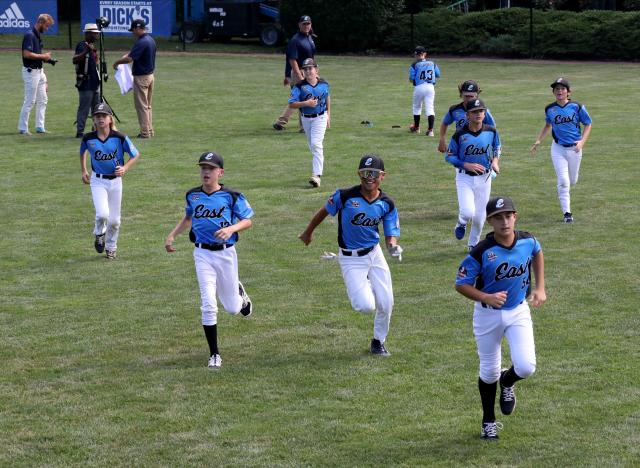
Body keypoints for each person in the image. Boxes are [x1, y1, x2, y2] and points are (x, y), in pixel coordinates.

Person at [455, 196, 546, 440]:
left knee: (526, 367)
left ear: (515, 217)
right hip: (487, 316)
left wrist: (540, 287)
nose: (504, 222)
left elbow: (538, 253)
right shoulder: (481, 251)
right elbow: (461, 284)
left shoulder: (528, 240)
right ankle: (488, 421)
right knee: (488, 372)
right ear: (490, 221)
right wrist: (485, 296)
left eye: (508, 216)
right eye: (498, 218)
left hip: (518, 311)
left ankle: (508, 381)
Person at [299, 155, 402, 356]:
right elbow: (324, 211)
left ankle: (378, 342)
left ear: (382, 176)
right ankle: (366, 284)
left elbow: (390, 234)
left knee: (386, 302)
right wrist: (308, 232)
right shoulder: (345, 196)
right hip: (350, 258)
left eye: (373, 173)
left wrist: (392, 246)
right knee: (365, 306)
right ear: (358, 174)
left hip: (374, 253)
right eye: (364, 173)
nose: (368, 177)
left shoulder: (387, 203)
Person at [165, 152, 254, 370]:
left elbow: (247, 220)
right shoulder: (192, 196)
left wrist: (231, 228)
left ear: (220, 172)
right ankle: (214, 354)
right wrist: (172, 235)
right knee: (208, 304)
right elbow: (188, 217)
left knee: (232, 308)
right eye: (203, 168)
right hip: (202, 254)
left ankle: (240, 295)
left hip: (226, 254)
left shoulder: (232, 195)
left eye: (211, 168)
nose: (206, 172)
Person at [80, 103, 140, 259]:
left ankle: (111, 247)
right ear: (94, 120)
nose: (100, 119)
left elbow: (135, 154)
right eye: (97, 116)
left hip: (115, 182)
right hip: (97, 181)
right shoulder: (89, 138)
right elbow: (82, 152)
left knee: (114, 220)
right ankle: (99, 234)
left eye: (103, 116)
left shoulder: (119, 137)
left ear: (109, 118)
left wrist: (125, 168)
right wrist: (84, 170)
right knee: (102, 214)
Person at [530, 77, 592, 223]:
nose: (559, 91)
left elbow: (588, 124)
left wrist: (582, 142)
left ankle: (568, 194)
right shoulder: (550, 109)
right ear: (553, 92)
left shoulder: (577, 107)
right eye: (556, 89)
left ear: (568, 92)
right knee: (563, 181)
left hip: (575, 150)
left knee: (572, 180)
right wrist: (538, 140)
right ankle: (567, 214)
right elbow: (547, 125)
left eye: (562, 88)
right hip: (557, 149)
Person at [445, 98, 501, 251]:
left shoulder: (491, 131)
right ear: (467, 115)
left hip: (485, 178)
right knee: (468, 211)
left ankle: (472, 245)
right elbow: (449, 156)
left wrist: (495, 161)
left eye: (481, 111)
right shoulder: (459, 135)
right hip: (464, 177)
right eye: (474, 112)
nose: (478, 114)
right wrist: (465, 164)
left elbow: (497, 147)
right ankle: (461, 222)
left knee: (479, 217)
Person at [288, 58, 330, 188]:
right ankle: (317, 171)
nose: (308, 71)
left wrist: (328, 114)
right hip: (306, 118)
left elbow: (327, 96)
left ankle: (316, 176)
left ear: (316, 70)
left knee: (316, 144)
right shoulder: (299, 86)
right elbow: (292, 104)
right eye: (305, 69)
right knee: (313, 146)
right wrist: (306, 103)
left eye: (310, 68)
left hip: (320, 117)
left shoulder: (324, 84)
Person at [113, 19, 157, 138]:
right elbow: (134, 54)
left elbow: (129, 60)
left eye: (133, 30)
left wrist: (116, 63)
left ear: (138, 28)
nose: (132, 33)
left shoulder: (142, 42)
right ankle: (150, 130)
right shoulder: (150, 40)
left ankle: (145, 132)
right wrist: (128, 55)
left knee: (141, 106)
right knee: (147, 105)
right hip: (150, 76)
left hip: (141, 78)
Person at [273, 15, 316, 131]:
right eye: (304, 24)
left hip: (309, 70)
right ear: (299, 25)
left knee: (297, 99)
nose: (306, 26)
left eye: (308, 23)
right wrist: (298, 75)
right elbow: (292, 59)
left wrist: (315, 71)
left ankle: (281, 122)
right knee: (304, 97)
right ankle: (303, 126)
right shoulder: (295, 40)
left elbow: (311, 57)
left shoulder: (310, 38)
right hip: (299, 71)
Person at [18, 13, 55, 135]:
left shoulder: (37, 35)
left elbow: (37, 55)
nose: (47, 28)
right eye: (47, 26)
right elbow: (26, 54)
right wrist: (43, 56)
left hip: (39, 72)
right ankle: (23, 128)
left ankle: (40, 127)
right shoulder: (29, 35)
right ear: (41, 23)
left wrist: (48, 60)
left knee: (43, 99)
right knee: (30, 101)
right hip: (31, 72)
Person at [438, 80, 497, 153]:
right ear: (461, 94)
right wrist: (442, 139)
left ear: (476, 95)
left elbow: (492, 128)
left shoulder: (483, 111)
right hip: (461, 144)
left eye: (471, 96)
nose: (469, 99)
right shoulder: (455, 110)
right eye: (466, 96)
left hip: (479, 147)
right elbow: (445, 123)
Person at [72, 23, 101, 138]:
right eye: (95, 33)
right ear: (88, 34)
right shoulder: (82, 45)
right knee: (84, 108)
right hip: (86, 83)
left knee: (96, 109)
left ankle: (95, 130)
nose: (97, 36)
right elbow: (75, 60)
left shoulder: (93, 47)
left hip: (94, 83)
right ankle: (80, 132)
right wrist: (86, 52)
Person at [408, 46, 440, 136]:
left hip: (419, 87)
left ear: (416, 54)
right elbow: (438, 74)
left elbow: (411, 78)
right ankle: (430, 131)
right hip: (430, 87)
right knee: (430, 108)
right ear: (424, 54)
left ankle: (416, 128)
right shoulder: (432, 63)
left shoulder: (414, 65)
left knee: (417, 107)